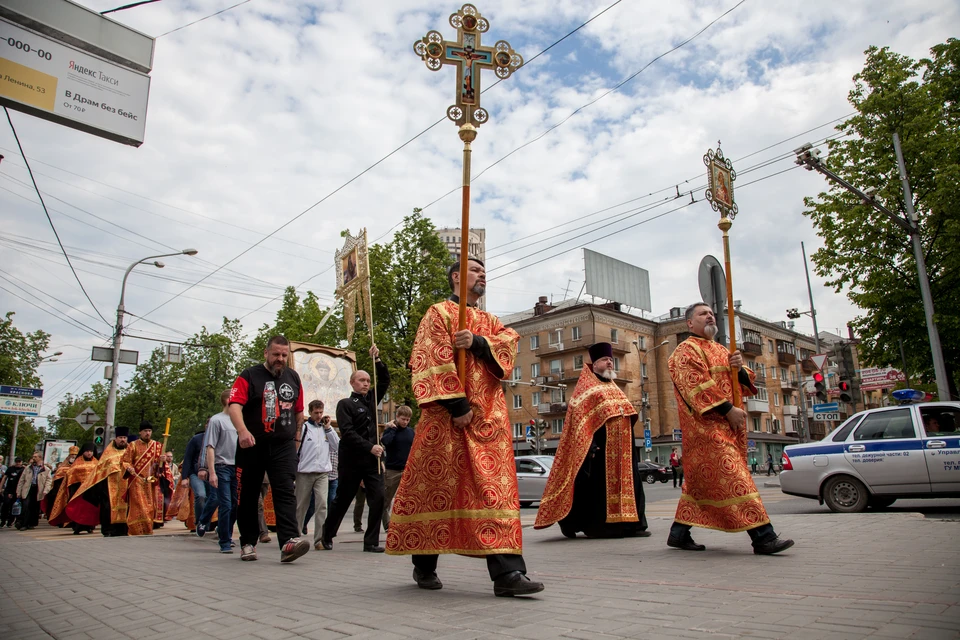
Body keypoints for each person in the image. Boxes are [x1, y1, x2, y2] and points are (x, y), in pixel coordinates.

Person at [385, 258, 544, 597]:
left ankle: (508, 574)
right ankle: (424, 564)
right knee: (435, 489)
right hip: (446, 419)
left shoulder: (490, 321)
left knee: (493, 492)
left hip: (488, 420)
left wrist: (478, 343)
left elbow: (509, 342)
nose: (482, 274)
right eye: (474, 270)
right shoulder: (439, 313)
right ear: (457, 277)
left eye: (484, 271)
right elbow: (430, 358)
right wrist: (456, 405)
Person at [667, 303, 794, 555]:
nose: (709, 316)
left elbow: (744, 382)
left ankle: (678, 533)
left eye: (711, 313)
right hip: (706, 429)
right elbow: (695, 385)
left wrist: (740, 368)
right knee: (737, 477)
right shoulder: (684, 351)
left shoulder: (722, 350)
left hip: (729, 428)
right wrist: (728, 410)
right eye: (703, 314)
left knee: (699, 485)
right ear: (690, 324)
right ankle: (763, 537)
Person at [535, 342, 648, 539]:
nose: (610, 363)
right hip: (599, 452)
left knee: (632, 485)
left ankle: (632, 526)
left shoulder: (613, 387)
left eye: (611, 360)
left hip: (624, 451)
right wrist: (592, 445)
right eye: (605, 360)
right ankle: (599, 527)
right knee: (595, 489)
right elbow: (580, 422)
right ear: (594, 364)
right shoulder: (587, 388)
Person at [229, 335, 309, 563]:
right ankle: (247, 542)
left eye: (284, 355)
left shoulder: (293, 377)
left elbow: (298, 411)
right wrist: (242, 431)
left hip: (283, 446)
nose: (280, 359)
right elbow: (235, 406)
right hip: (252, 444)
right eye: (276, 354)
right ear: (266, 353)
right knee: (248, 494)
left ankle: (288, 543)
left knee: (285, 492)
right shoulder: (249, 375)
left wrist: (296, 441)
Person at [320, 346, 389, 553]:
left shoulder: (370, 402)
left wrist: (377, 359)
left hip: (372, 461)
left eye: (368, 381)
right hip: (352, 460)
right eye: (362, 380)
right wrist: (370, 447)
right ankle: (327, 534)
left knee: (378, 498)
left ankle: (371, 541)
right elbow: (347, 434)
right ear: (352, 383)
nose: (366, 384)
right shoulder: (345, 404)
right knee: (343, 498)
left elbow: (384, 381)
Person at [67, 427, 131, 536]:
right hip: (109, 488)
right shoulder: (108, 454)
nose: (123, 440)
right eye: (120, 437)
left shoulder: (129, 453)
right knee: (107, 508)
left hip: (126, 486)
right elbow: (100, 471)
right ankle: (108, 530)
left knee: (126, 507)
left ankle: (123, 529)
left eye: (124, 438)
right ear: (115, 439)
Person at [197, 389, 239, 553]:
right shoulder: (217, 420)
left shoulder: (240, 420)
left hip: (238, 467)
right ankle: (224, 541)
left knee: (235, 505)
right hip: (222, 467)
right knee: (226, 504)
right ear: (228, 401)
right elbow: (210, 447)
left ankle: (226, 532)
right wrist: (211, 471)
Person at [295, 399, 339, 550]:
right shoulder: (305, 428)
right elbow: (296, 448)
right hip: (305, 472)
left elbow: (337, 446)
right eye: (316, 413)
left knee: (322, 505)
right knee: (301, 505)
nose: (319, 415)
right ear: (310, 413)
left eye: (321, 412)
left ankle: (319, 539)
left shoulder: (325, 429)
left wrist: (329, 428)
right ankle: (295, 536)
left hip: (322, 472)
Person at [122, 421, 163, 536]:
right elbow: (125, 461)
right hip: (137, 480)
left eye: (149, 431)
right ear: (140, 432)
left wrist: (162, 461)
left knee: (150, 507)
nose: (147, 433)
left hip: (151, 481)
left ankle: (148, 529)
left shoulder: (157, 445)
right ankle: (135, 530)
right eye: (145, 431)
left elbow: (159, 466)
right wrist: (129, 468)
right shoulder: (133, 445)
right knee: (139, 506)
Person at [49, 443, 98, 533]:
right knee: (79, 509)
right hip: (78, 490)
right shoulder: (77, 462)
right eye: (87, 451)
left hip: (91, 490)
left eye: (91, 451)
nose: (89, 453)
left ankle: (89, 527)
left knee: (90, 509)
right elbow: (71, 474)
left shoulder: (96, 462)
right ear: (83, 452)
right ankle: (77, 527)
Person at [380, 405, 415, 531]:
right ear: (397, 417)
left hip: (406, 470)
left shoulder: (410, 432)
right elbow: (386, 441)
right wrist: (392, 429)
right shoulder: (390, 429)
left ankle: (406, 523)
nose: (405, 422)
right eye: (403, 419)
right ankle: (387, 524)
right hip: (392, 470)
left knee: (408, 499)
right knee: (386, 500)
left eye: (407, 419)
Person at [15, 452, 52, 530]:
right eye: (33, 457)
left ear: (40, 458)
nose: (33, 458)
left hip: (38, 489)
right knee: (26, 506)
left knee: (34, 507)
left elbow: (49, 480)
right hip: (28, 488)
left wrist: (46, 490)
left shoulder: (45, 469)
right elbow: (21, 480)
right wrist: (18, 492)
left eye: (35, 457)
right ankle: (24, 524)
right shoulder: (28, 468)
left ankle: (31, 523)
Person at [180, 427, 208, 529]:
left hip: (212, 473)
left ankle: (207, 522)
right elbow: (187, 458)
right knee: (201, 495)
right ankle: (200, 523)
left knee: (214, 499)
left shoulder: (219, 438)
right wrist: (184, 477)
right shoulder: (196, 439)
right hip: (196, 473)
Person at [42, 446, 78, 525]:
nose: (73, 457)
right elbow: (56, 479)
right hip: (63, 490)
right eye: (72, 456)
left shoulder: (78, 467)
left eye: (75, 456)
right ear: (69, 457)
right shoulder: (62, 468)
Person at [0, 457, 25, 528]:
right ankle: (3, 521)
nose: (18, 463)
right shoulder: (10, 469)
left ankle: (10, 521)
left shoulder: (23, 469)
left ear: (21, 462)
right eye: (17, 462)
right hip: (8, 490)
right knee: (6, 505)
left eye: (19, 462)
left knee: (14, 506)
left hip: (17, 491)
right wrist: (1, 488)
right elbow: (4, 478)